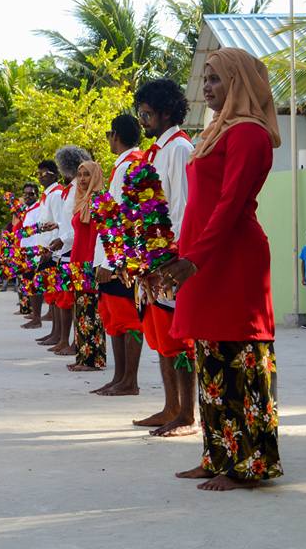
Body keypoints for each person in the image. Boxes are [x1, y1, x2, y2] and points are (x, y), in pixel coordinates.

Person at [159, 47, 283, 491]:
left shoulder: (248, 134)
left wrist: (194, 258)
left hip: (233, 259)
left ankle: (248, 465)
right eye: (205, 79)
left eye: (215, 79)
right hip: (204, 255)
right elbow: (199, 206)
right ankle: (216, 456)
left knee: (239, 359)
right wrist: (178, 252)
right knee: (211, 358)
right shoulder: (216, 131)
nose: (206, 87)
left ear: (238, 83)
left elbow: (230, 207)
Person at [133, 78, 198, 437]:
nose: (143, 120)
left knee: (179, 337)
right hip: (151, 257)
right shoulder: (158, 150)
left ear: (166, 112)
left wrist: (172, 257)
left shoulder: (180, 149)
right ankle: (170, 406)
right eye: (140, 113)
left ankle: (187, 413)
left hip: (169, 258)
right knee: (160, 335)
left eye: (147, 113)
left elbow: (184, 208)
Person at [92, 114, 145, 396]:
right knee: (113, 319)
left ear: (115, 135)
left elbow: (122, 218)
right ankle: (120, 376)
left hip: (121, 258)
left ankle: (129, 380)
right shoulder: (124, 165)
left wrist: (110, 262)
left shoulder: (129, 166)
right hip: (114, 255)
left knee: (128, 320)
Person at [39, 145, 89, 355]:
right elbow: (66, 220)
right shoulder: (70, 188)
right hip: (63, 246)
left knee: (68, 299)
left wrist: (62, 237)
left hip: (71, 248)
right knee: (61, 296)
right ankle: (61, 338)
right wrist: (58, 229)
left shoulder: (79, 188)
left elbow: (78, 222)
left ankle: (68, 340)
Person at [67, 161, 107, 372]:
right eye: (80, 175)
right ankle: (83, 356)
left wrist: (97, 264)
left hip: (90, 262)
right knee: (81, 310)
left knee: (92, 311)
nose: (82, 179)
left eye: (87, 175)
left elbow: (101, 234)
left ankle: (93, 360)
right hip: (78, 261)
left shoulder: (99, 200)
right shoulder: (82, 200)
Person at [35, 160, 67, 340]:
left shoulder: (56, 194)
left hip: (53, 251)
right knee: (51, 293)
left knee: (56, 295)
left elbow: (59, 223)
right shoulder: (47, 195)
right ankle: (54, 333)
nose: (40, 177)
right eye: (38, 174)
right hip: (45, 250)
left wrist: (50, 251)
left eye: (44, 173)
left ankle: (58, 335)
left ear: (54, 174)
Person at [18, 183, 44, 327]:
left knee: (36, 285)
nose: (27, 196)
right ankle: (35, 314)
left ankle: (37, 318)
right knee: (29, 283)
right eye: (25, 194)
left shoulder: (39, 209)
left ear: (36, 195)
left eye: (31, 194)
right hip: (26, 252)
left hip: (35, 253)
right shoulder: (28, 210)